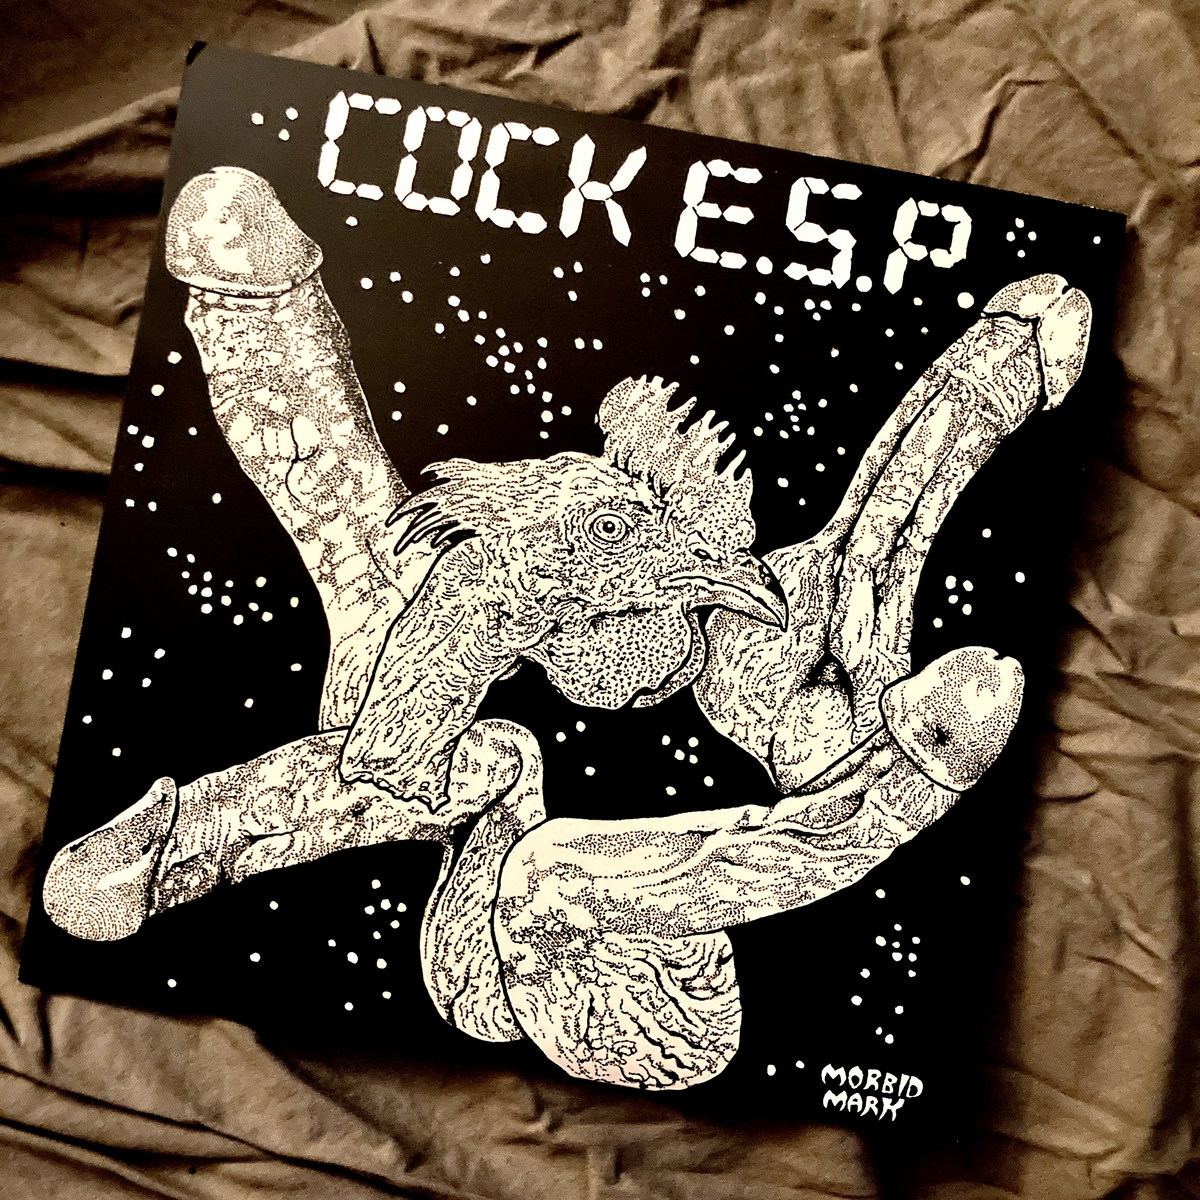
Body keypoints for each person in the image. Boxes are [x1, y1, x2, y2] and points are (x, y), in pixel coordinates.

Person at [43, 167, 1092, 1090]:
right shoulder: (641, 634)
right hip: (583, 963)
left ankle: (180, 844)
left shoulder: (715, 677)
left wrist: (915, 765)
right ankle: (178, 845)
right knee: (500, 754)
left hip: (615, 1000)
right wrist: (918, 772)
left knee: (509, 798)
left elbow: (804, 834)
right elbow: (818, 823)